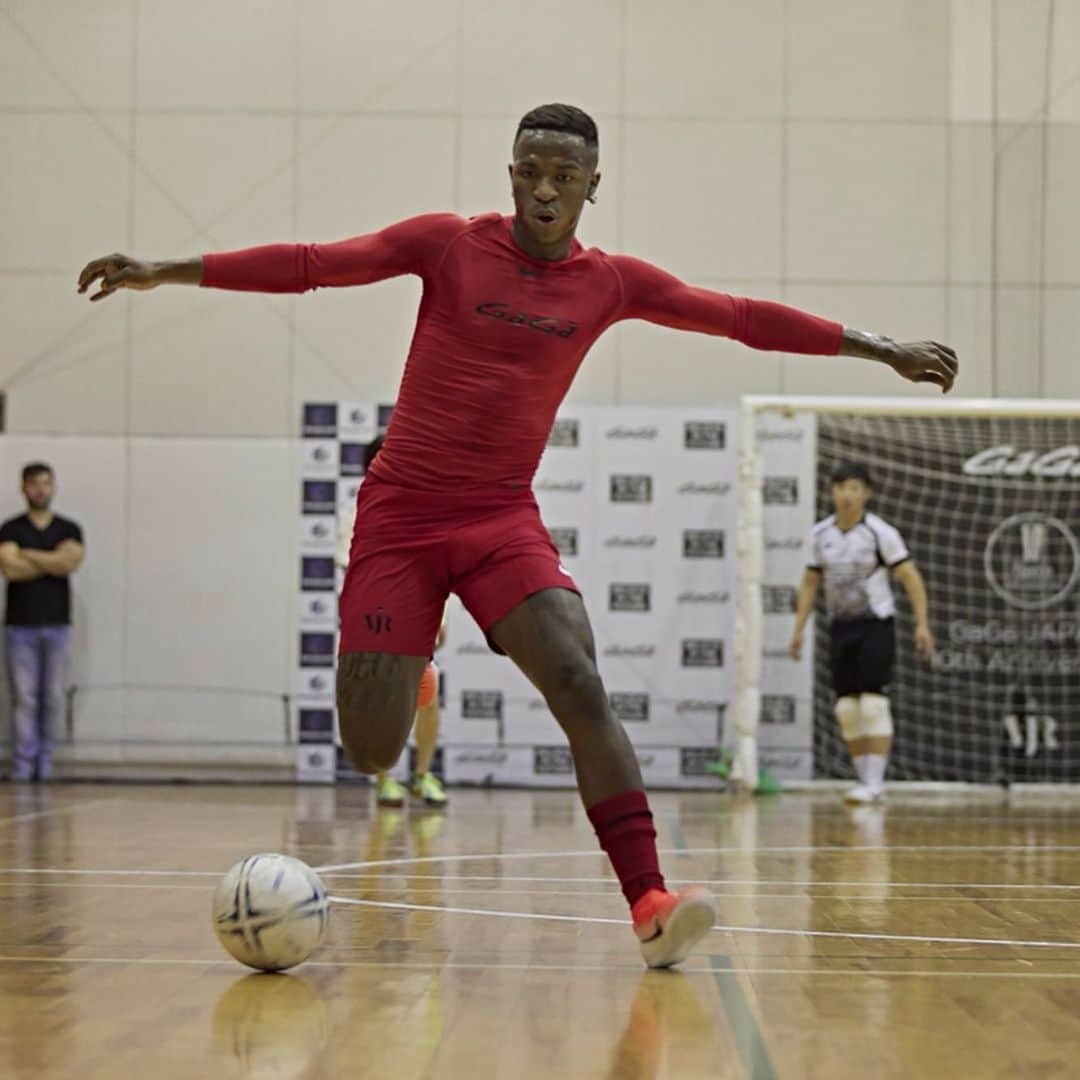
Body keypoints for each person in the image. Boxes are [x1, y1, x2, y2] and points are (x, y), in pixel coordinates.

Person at [77, 103, 957, 967]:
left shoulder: (611, 282)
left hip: (500, 516)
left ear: (592, 187)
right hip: (401, 518)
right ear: (510, 175)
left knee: (578, 676)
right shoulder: (448, 243)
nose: (545, 190)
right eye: (530, 172)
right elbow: (314, 263)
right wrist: (165, 269)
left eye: (564, 178)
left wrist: (881, 349)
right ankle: (415, 651)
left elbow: (738, 316)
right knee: (374, 749)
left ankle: (650, 901)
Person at [790, 462, 934, 804]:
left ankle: (875, 782)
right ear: (832, 492)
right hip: (841, 626)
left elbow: (910, 577)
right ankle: (863, 779)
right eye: (841, 488)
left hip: (876, 625)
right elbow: (811, 584)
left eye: (854, 488)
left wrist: (922, 623)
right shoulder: (820, 535)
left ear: (865, 494)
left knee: (871, 703)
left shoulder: (880, 533)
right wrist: (798, 629)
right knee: (846, 708)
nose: (847, 495)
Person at [336, 435, 448, 809]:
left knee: (427, 695)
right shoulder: (354, 514)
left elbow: (435, 571)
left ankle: (422, 775)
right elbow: (354, 572)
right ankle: (385, 780)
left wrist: (440, 617)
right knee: (377, 699)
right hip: (374, 616)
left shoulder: (423, 511)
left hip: (417, 615)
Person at [0, 464, 85, 781]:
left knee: (51, 697)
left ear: (53, 487)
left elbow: (69, 563)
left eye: (46, 483)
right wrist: (50, 559)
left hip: (57, 625)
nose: (40, 489)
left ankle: (45, 763)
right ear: (23, 488)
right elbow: (10, 568)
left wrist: (29, 555)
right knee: (25, 698)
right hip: (20, 626)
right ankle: (23, 764)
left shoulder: (68, 529)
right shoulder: (10, 529)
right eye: (34, 484)